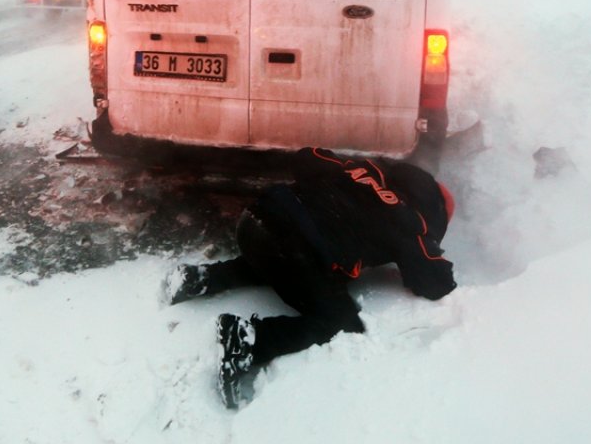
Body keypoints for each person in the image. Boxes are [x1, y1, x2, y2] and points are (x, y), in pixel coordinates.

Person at [164, 147, 458, 409]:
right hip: (290, 249)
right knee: (341, 321)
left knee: (279, 259)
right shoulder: (413, 223)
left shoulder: (363, 170)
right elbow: (435, 283)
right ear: (436, 213)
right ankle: (247, 340)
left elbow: (307, 157)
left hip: (256, 219)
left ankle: (198, 278)